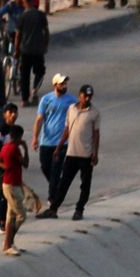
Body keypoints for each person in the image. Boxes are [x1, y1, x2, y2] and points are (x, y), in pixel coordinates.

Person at [42, 84, 100, 220]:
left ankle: (79, 209)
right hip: (71, 153)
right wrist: (58, 148)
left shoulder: (94, 113)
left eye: (89, 96)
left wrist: (95, 153)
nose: (87, 98)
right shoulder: (71, 109)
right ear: (79, 96)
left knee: (85, 184)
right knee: (64, 183)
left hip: (86, 155)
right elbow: (67, 130)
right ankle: (53, 209)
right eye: (85, 95)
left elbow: (96, 134)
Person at [30, 73, 75, 202]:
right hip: (46, 141)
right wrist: (35, 137)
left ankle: (52, 198)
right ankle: (58, 186)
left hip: (62, 142)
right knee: (45, 167)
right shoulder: (46, 99)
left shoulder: (71, 100)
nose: (64, 86)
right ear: (55, 85)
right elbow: (39, 119)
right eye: (61, 83)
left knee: (56, 169)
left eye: (65, 83)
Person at [0, 123, 30, 256]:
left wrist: (6, 168)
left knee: (10, 216)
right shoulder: (15, 149)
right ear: (19, 137)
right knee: (21, 215)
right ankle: (8, 243)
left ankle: (9, 244)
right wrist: (26, 148)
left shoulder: (5, 147)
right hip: (12, 185)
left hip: (8, 183)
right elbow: (26, 164)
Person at [16, 0, 50, 101]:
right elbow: (46, 32)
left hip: (25, 50)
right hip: (38, 50)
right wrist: (45, 45)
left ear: (24, 2)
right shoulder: (40, 15)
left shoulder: (22, 16)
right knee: (40, 71)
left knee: (24, 75)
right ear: (33, 1)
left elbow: (18, 35)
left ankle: (24, 99)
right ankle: (35, 89)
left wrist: (16, 50)